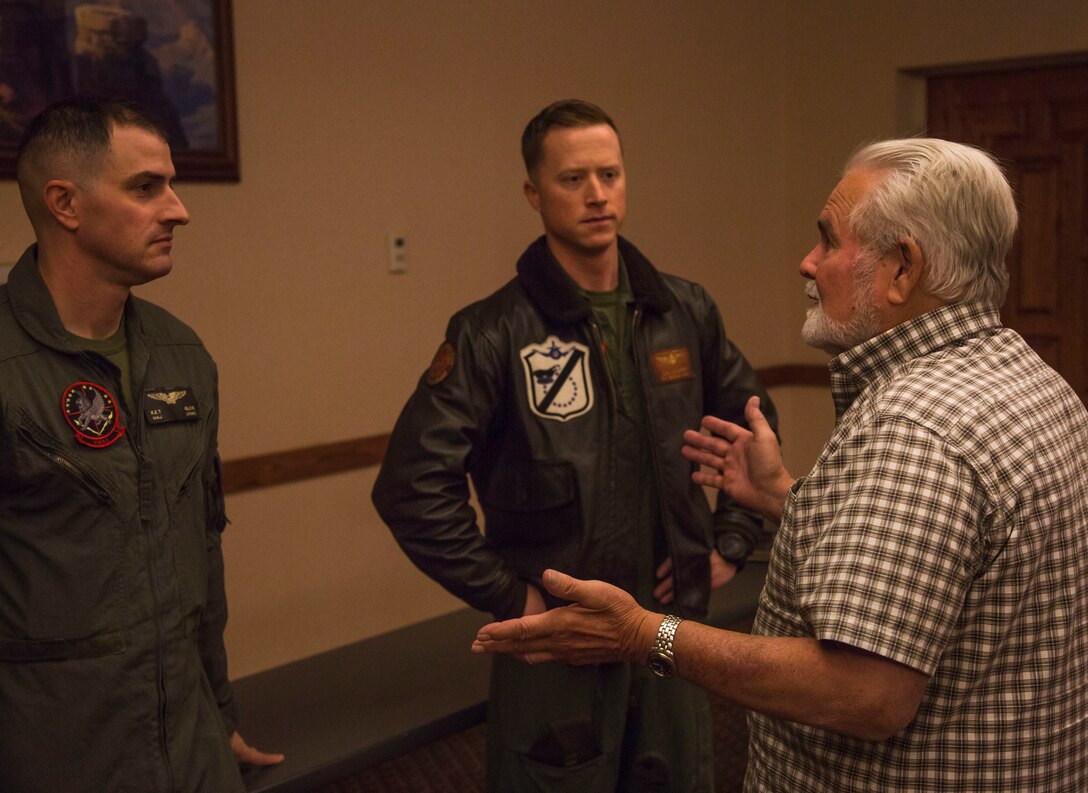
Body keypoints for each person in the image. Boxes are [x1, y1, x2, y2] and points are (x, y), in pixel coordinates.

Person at [472, 137, 1088, 792]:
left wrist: (642, 633)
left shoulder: (912, 432)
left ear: (902, 268)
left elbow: (863, 692)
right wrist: (786, 499)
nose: (808, 262)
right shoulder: (1037, 384)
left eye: (828, 241)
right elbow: (948, 567)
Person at [372, 99, 775, 792]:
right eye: (573, 179)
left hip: (667, 625)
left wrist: (728, 541)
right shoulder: (491, 330)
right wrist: (511, 596)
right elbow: (410, 485)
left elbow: (753, 425)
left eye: (610, 175)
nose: (596, 194)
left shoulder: (683, 310)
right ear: (534, 192)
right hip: (559, 645)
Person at [0, 98, 282, 792]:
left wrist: (220, 710)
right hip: (58, 755)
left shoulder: (181, 354)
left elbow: (201, 555)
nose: (179, 209)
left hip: (193, 749)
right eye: (146, 187)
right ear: (66, 202)